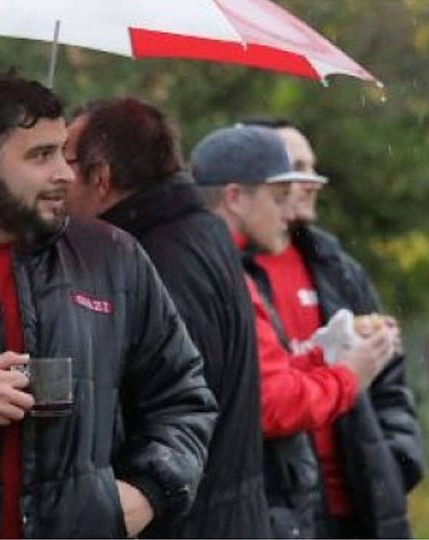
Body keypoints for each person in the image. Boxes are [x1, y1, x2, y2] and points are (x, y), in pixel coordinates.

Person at [0, 73, 217, 539]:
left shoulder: (113, 258)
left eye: (62, 150)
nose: (66, 173)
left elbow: (183, 396)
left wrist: (149, 493)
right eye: (41, 155)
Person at [62, 97, 270, 538]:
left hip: (187, 522)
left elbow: (174, 406)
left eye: (66, 161)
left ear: (101, 178)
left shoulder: (154, 262)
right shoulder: (199, 230)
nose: (57, 177)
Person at [189, 125, 399, 539]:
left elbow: (267, 374)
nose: (289, 211)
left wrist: (396, 461)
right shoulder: (222, 274)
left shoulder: (331, 265)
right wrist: (349, 374)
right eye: (278, 197)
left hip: (315, 505)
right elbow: (271, 402)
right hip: (264, 508)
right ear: (234, 197)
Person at [246, 119, 425, 538]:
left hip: (362, 506)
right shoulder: (231, 272)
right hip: (282, 515)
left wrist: (397, 462)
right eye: (297, 168)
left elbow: (391, 381)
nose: (312, 182)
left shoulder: (336, 266)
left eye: (313, 167)